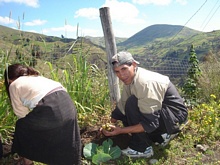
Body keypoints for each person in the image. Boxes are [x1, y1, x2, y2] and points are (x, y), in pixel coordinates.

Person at [101, 51, 188, 158]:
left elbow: (150, 123)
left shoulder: (145, 83)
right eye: (117, 71)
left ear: (133, 65)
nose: (121, 75)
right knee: (129, 107)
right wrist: (109, 123)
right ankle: (160, 136)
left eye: (124, 69)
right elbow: (122, 105)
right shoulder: (130, 79)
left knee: (132, 104)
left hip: (175, 115)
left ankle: (142, 148)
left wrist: (120, 131)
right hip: (162, 112)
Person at [4, 63, 81, 165]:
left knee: (22, 127)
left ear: (10, 78)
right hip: (67, 104)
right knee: (63, 134)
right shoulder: (37, 77)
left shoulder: (14, 85)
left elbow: (21, 114)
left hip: (50, 108)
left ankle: (27, 161)